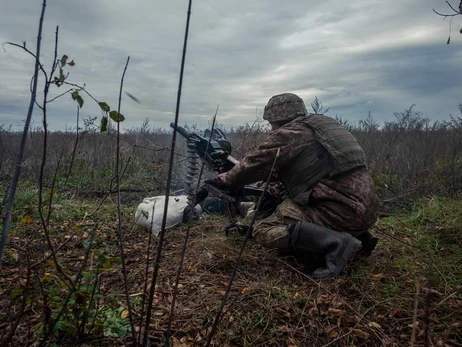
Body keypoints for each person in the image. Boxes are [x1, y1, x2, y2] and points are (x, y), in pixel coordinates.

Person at [207, 93, 380, 278]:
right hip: (365, 210)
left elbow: (258, 161)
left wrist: (228, 178)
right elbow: (295, 169)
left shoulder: (292, 132)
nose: (271, 130)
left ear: (277, 120)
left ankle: (337, 244)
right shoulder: (323, 126)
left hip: (340, 211)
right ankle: (359, 237)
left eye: (271, 124)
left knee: (262, 229)